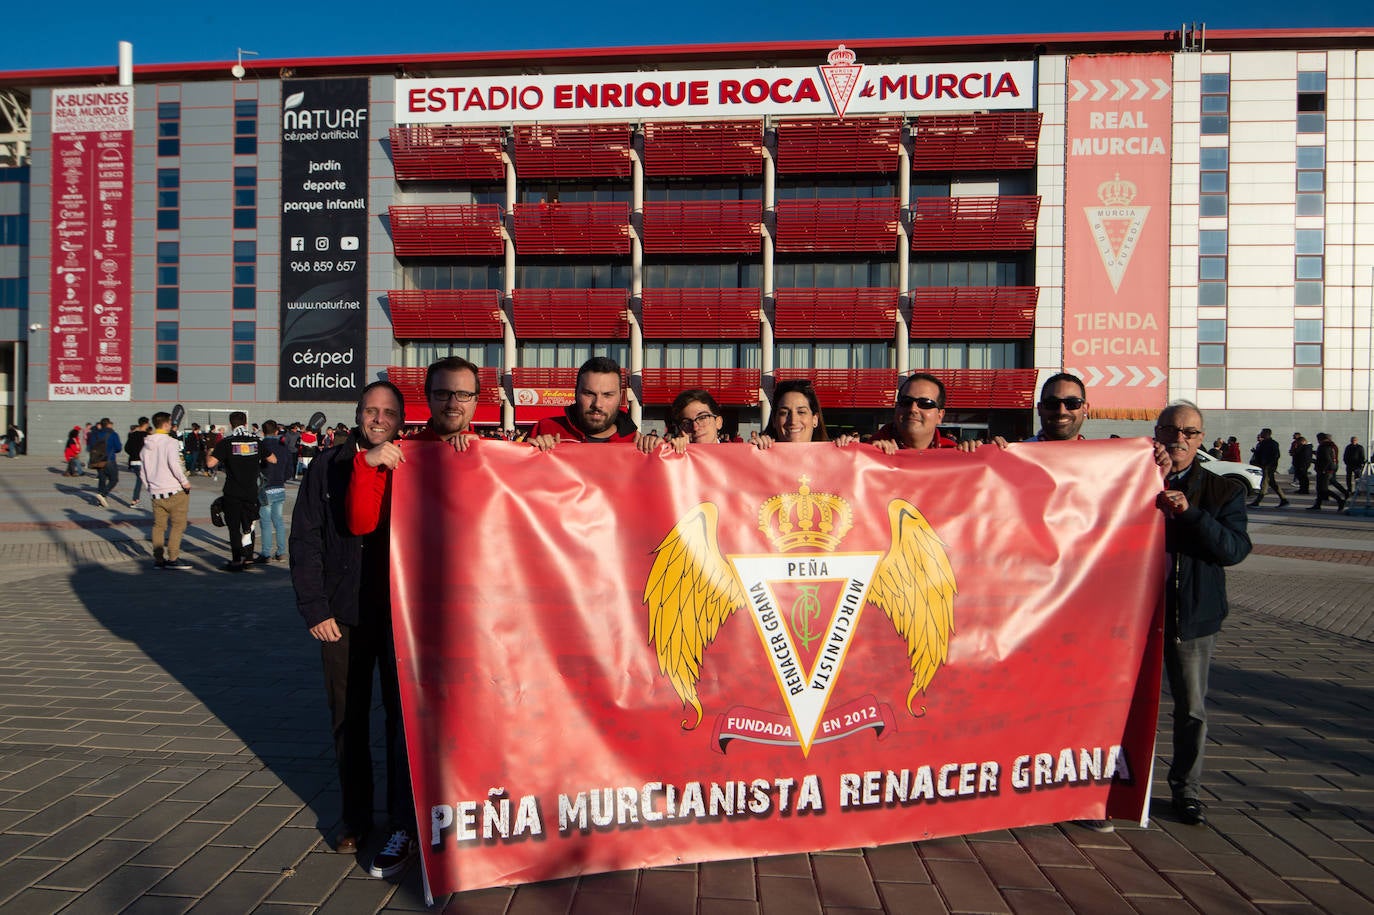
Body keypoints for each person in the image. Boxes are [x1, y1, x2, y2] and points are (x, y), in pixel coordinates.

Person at [291, 380, 417, 878]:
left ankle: (402, 820)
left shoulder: (415, 463)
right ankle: (356, 817)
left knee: (402, 724)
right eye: (370, 410)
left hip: (400, 615)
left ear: (400, 419)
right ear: (357, 414)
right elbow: (306, 541)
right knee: (349, 721)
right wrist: (314, 608)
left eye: (388, 411)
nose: (378, 418)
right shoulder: (328, 464)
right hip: (342, 615)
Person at [1153, 401, 1252, 826]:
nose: (1179, 439)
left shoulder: (1222, 491)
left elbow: (1233, 549)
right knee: (1114, 703)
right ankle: (1112, 781)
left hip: (1190, 613)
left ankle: (1186, 791)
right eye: (1171, 429)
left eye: (1190, 432)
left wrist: (1190, 514)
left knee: (1190, 709)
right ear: (1157, 432)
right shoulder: (1131, 478)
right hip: (1130, 614)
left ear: (1200, 439)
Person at [528, 356, 644, 449]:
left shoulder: (637, 444)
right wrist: (529, 453)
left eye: (607, 395)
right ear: (575, 393)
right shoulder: (545, 429)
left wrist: (659, 452)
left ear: (621, 397)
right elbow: (516, 474)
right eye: (589, 393)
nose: (597, 404)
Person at [206, 411, 266, 572]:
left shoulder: (227, 442)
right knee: (249, 525)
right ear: (246, 423)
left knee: (234, 527)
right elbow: (273, 458)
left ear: (231, 424)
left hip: (232, 491)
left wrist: (209, 450)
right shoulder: (256, 441)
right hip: (251, 491)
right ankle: (248, 559)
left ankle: (236, 560)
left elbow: (211, 463)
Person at [139, 411, 193, 570]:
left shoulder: (146, 445)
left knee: (158, 526)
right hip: (175, 490)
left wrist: (149, 487)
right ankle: (173, 557)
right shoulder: (170, 442)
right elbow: (174, 464)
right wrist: (185, 481)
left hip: (156, 492)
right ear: (165, 424)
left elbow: (142, 472)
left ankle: (158, 559)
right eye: (170, 422)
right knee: (178, 525)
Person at [870, 372, 958, 452]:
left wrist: (969, 454)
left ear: (940, 416)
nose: (913, 409)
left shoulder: (955, 454)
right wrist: (874, 457)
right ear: (896, 408)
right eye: (906, 401)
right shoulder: (866, 455)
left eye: (925, 403)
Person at [257, 420, 292, 562]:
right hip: (279, 486)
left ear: (263, 432)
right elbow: (290, 468)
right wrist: (282, 478)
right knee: (278, 520)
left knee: (265, 522)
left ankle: (266, 553)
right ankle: (281, 551)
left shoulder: (261, 445)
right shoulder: (283, 447)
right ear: (277, 431)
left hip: (265, 487)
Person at [1248, 428, 1287, 508]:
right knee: (1272, 483)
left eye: (1262, 433)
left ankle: (1257, 502)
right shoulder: (1263, 443)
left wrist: (1269, 465)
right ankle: (1284, 500)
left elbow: (1276, 455)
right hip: (1264, 465)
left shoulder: (1272, 443)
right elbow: (1261, 454)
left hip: (1268, 467)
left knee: (1264, 484)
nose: (1261, 434)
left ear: (1267, 434)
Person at [87, 418, 122, 508]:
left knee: (102, 479)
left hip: (98, 460)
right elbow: (118, 448)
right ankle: (103, 494)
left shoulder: (94, 434)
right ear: (108, 425)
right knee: (114, 479)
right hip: (110, 460)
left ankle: (100, 501)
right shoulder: (113, 434)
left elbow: (90, 447)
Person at [1310, 432, 1348, 512]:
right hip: (1327, 469)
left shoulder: (1324, 446)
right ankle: (1318, 504)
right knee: (1320, 488)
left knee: (1323, 489)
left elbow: (1327, 459)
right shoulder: (1329, 446)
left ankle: (1340, 500)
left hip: (1325, 470)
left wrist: (1323, 468)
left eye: (1318, 439)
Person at [126, 417, 151, 506]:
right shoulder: (147, 436)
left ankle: (136, 499)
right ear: (146, 424)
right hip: (143, 461)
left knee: (140, 480)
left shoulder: (132, 435)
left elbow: (127, 448)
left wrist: (133, 455)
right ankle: (135, 500)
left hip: (134, 461)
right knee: (145, 480)